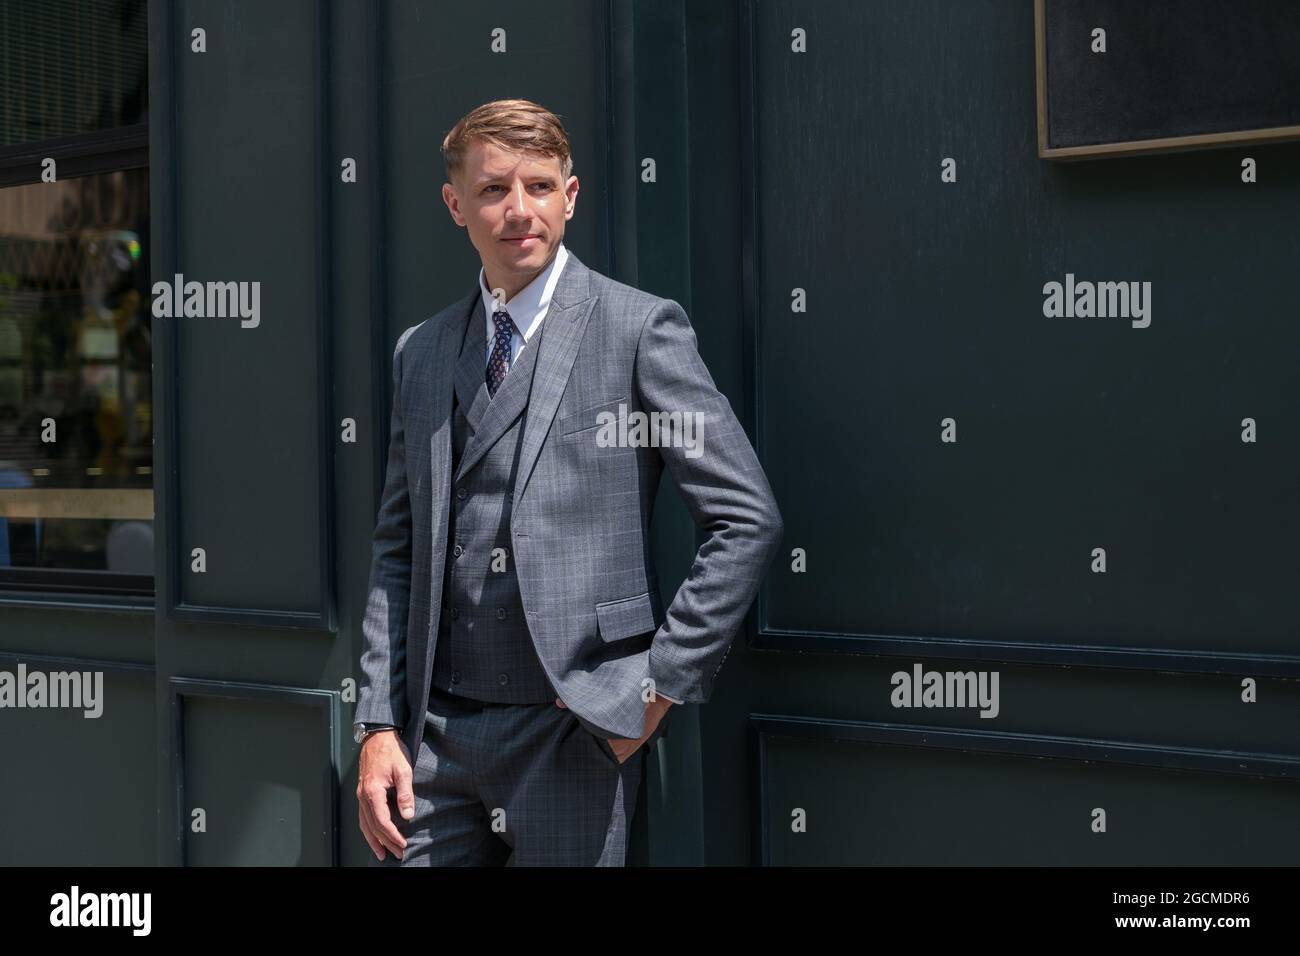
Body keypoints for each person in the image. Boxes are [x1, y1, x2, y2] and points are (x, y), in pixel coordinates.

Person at [354, 98, 783, 866]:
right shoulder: (419, 353)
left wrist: (653, 693)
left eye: (541, 186)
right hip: (435, 744)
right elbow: (399, 546)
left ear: (571, 196)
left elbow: (745, 517)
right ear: (456, 204)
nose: (520, 210)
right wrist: (379, 724)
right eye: (493, 190)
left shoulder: (637, 329)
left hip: (571, 734)